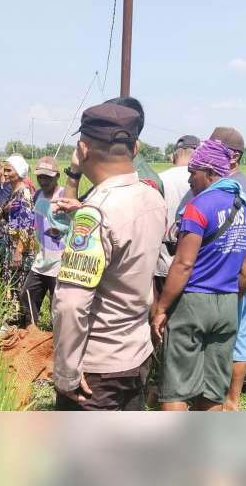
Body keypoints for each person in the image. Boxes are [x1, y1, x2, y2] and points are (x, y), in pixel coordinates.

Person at [51, 102, 166, 411]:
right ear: (136, 147)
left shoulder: (94, 215)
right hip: (136, 355)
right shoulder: (153, 198)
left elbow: (71, 304)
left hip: (97, 368)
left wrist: (65, 374)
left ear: (83, 148)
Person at [151, 139, 246, 411]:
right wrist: (228, 301)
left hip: (193, 302)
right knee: (213, 388)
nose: (190, 180)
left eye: (194, 172)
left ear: (210, 172)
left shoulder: (199, 206)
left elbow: (183, 264)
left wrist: (162, 308)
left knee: (176, 386)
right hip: (227, 304)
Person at [208, 126, 246, 411]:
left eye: (215, 149)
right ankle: (223, 397)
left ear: (233, 156)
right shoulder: (230, 183)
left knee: (236, 335)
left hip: (235, 277)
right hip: (230, 276)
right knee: (232, 334)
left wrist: (243, 277)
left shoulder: (241, 186)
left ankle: (230, 398)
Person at [62, 96, 164, 201]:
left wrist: (74, 174)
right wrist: (75, 172)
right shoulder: (118, 176)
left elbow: (71, 215)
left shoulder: (137, 182)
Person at [19, 156, 67, 328]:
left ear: (57, 176)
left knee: (58, 305)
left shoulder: (65, 196)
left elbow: (75, 226)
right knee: (27, 294)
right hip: (42, 258)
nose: (43, 180)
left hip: (61, 260)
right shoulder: (37, 195)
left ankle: (57, 341)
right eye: (40, 176)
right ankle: (30, 334)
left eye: (47, 176)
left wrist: (56, 230)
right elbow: (36, 223)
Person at [0, 154, 38, 326]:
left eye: (8, 170)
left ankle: (22, 326)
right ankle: (14, 324)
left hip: (20, 251)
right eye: (4, 170)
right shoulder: (13, 192)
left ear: (19, 172)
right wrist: (5, 210)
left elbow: (26, 226)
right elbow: (0, 216)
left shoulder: (24, 193)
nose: (4, 173)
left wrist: (18, 252)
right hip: (10, 248)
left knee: (19, 288)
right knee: (11, 286)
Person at [156, 135, 200, 292]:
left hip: (162, 261)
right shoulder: (204, 180)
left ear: (175, 154)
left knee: (160, 312)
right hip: (193, 263)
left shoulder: (159, 179)